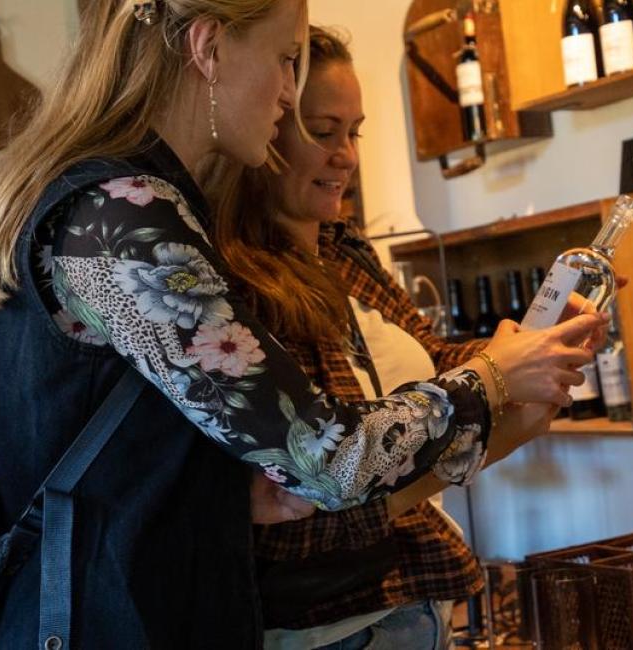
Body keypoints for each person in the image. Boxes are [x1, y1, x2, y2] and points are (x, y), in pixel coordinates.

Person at [0, 1, 600, 645]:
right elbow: (328, 462)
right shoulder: (124, 216)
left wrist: (238, 492)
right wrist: (491, 376)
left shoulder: (125, 204)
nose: (289, 92)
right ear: (208, 46)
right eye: (286, 59)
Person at [210, 27, 520, 649]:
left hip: (414, 598)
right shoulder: (236, 286)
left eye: (355, 132)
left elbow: (432, 360)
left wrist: (525, 344)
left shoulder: (343, 251)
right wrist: (493, 395)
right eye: (323, 132)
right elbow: (302, 507)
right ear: (266, 129)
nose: (346, 155)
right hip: (328, 629)